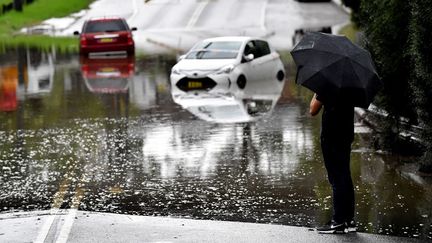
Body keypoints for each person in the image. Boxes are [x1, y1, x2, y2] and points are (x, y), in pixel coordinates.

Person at [309, 93, 356, 234]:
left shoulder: (328, 84)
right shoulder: (351, 83)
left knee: (337, 178)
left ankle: (338, 221)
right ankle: (349, 220)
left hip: (332, 135)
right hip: (346, 133)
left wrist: (316, 92)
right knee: (345, 176)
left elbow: (313, 109)